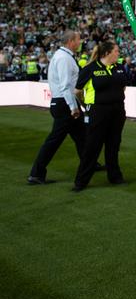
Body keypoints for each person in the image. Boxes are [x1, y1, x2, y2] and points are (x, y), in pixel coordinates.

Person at [28, 30, 86, 184]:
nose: (80, 42)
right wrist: (73, 107)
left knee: (82, 137)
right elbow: (65, 86)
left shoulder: (63, 57)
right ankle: (36, 173)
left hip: (63, 102)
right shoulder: (64, 59)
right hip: (65, 103)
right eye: (78, 39)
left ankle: (90, 163)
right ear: (71, 41)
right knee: (54, 140)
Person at [72, 40, 128, 191]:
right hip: (98, 111)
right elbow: (77, 91)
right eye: (116, 51)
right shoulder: (90, 69)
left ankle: (115, 176)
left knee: (113, 145)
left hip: (117, 111)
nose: (118, 53)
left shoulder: (120, 68)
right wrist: (87, 106)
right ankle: (81, 181)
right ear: (107, 53)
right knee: (92, 146)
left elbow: (123, 87)